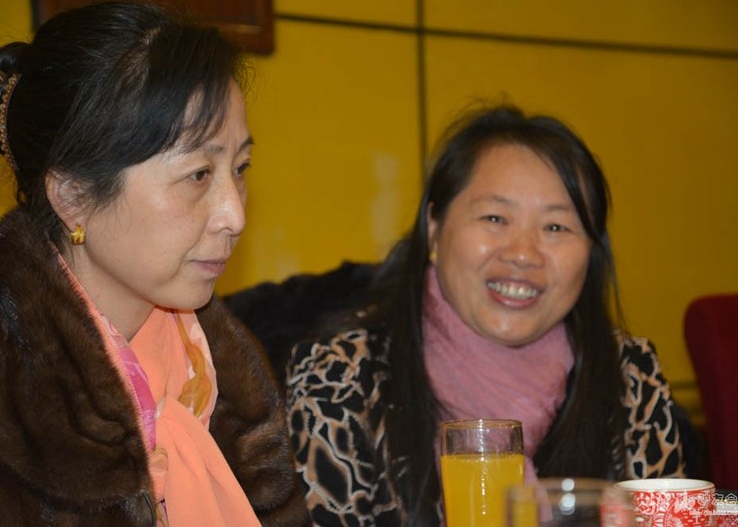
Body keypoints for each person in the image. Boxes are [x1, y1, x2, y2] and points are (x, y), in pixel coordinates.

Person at [0, 1, 307, 526]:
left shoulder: (220, 371)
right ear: (73, 196)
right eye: (198, 175)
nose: (234, 215)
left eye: (240, 168)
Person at [282, 105, 686, 525]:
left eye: (556, 227)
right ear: (434, 229)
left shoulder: (629, 376)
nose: (523, 254)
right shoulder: (342, 377)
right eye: (495, 218)